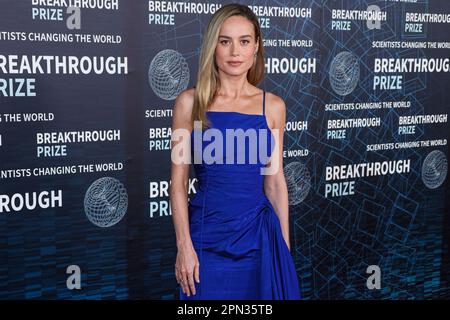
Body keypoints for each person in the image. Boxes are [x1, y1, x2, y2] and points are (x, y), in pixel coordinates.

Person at [169, 3, 300, 300]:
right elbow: (177, 185)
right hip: (207, 239)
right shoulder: (189, 104)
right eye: (225, 41)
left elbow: (275, 182)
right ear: (213, 47)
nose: (234, 52)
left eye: (244, 41)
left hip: (260, 240)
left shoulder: (274, 107)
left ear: (256, 48)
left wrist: (284, 249)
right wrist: (184, 246)